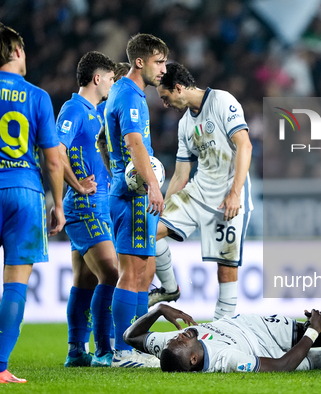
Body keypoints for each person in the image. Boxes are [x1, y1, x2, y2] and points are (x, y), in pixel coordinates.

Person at [0, 25, 65, 383]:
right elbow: (53, 160)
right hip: (25, 195)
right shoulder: (37, 96)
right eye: (21, 49)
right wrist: (57, 204)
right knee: (15, 285)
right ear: (14, 51)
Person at [152, 63, 254, 321]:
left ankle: (223, 329)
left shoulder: (222, 101)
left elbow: (245, 146)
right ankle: (169, 288)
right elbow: (180, 174)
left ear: (177, 88)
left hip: (228, 197)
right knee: (148, 232)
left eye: (165, 98)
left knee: (226, 271)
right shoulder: (185, 124)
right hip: (197, 193)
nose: (165, 104)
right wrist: (161, 207)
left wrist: (235, 193)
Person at [104, 33, 168, 368]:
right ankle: (122, 351)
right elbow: (134, 144)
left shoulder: (126, 93)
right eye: (159, 62)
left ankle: (138, 346)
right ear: (139, 62)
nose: (164, 69)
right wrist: (154, 186)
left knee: (143, 272)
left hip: (130, 192)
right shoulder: (130, 96)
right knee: (131, 273)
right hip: (132, 195)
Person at [57, 51, 118, 368]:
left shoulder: (95, 112)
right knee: (111, 272)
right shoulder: (74, 109)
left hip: (99, 205)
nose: (111, 82)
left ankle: (76, 351)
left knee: (85, 282)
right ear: (97, 78)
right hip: (85, 206)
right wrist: (77, 184)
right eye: (109, 77)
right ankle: (105, 350)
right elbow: (56, 149)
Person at [124, 303, 321, 372]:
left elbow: (130, 336)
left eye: (175, 337)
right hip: (266, 346)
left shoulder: (171, 347)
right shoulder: (227, 360)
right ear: (194, 359)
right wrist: (312, 332)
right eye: (181, 341)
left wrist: (159, 309)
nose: (179, 335)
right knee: (319, 343)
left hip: (251, 324)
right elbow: (281, 366)